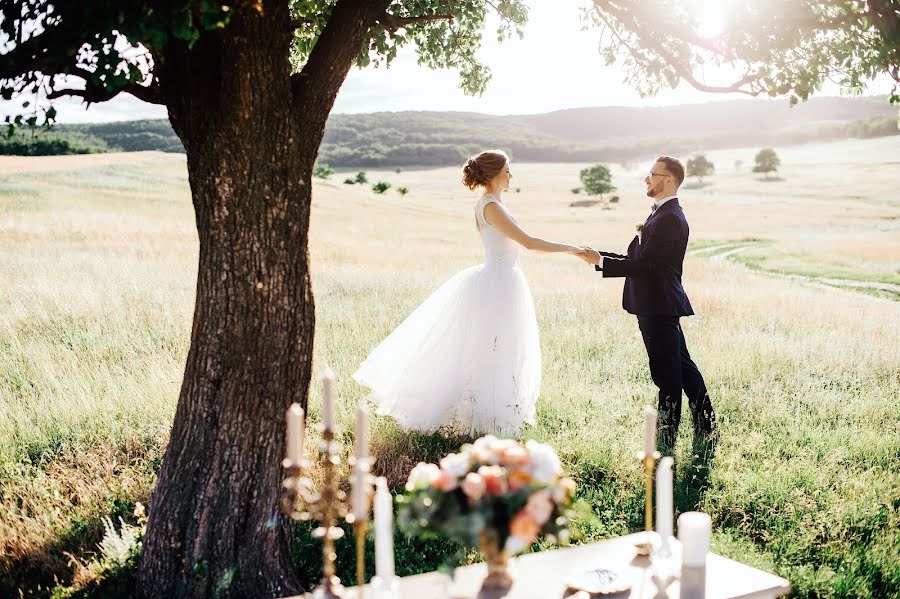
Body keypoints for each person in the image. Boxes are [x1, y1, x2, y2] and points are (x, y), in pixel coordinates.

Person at [354, 149, 584, 436]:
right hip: (497, 283)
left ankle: (492, 413)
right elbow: (528, 242)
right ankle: (483, 417)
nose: (511, 175)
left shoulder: (493, 203)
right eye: (507, 170)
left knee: (499, 347)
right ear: (495, 174)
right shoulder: (491, 206)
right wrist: (573, 249)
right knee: (491, 348)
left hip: (503, 280)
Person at [577, 156, 717, 450]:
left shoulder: (668, 217)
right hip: (659, 304)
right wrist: (598, 257)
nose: (646, 179)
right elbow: (642, 261)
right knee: (683, 368)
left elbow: (648, 267)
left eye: (652, 174)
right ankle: (707, 428)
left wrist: (602, 261)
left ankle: (666, 440)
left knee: (666, 376)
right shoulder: (663, 214)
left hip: (657, 305)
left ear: (669, 179)